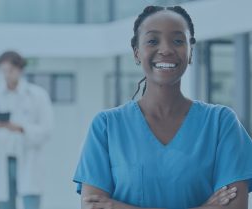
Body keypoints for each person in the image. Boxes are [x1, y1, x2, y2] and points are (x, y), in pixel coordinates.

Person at [73, 6, 252, 209]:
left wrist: (117, 206)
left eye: (177, 41)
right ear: (136, 53)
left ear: (191, 52)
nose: (166, 49)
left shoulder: (221, 123)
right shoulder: (106, 126)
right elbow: (93, 206)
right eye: (152, 41)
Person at [0, 51, 53, 209]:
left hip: (28, 160)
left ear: (20, 69)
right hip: (1, 160)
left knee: (31, 202)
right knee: (4, 203)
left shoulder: (38, 96)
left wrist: (21, 128)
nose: (7, 75)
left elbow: (46, 130)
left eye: (11, 71)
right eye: (3, 71)